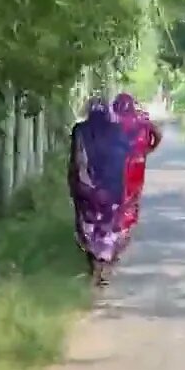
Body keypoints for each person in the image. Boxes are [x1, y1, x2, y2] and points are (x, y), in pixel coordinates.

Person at [68, 96, 132, 287]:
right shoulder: (118, 131)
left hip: (87, 189)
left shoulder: (79, 131)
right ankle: (105, 265)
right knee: (109, 225)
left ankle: (95, 265)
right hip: (112, 189)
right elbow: (125, 160)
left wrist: (79, 186)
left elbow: (77, 161)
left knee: (88, 225)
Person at [111, 92, 162, 247]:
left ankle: (115, 225)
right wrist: (149, 149)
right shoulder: (142, 121)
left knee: (116, 193)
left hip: (116, 162)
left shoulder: (113, 121)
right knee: (133, 193)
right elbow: (157, 135)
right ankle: (126, 226)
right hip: (137, 161)